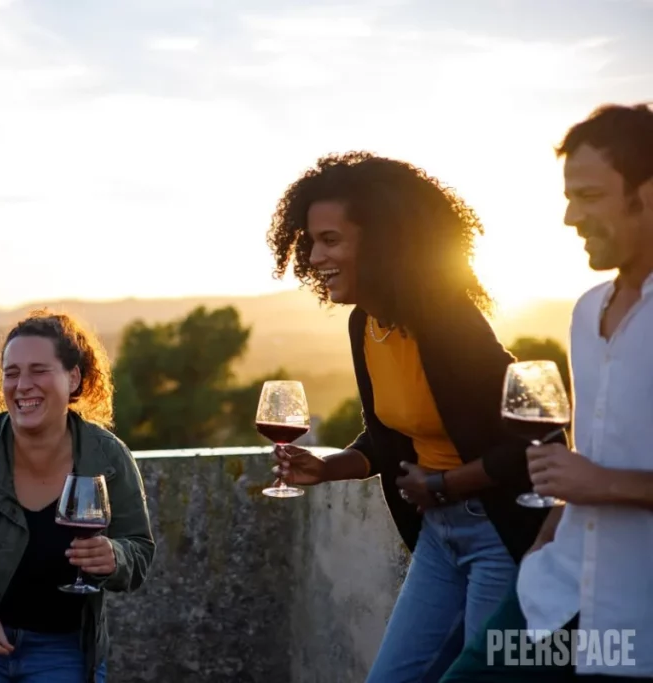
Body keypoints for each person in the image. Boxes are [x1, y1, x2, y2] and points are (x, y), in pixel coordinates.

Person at [265, 151, 560, 683]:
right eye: (309, 240)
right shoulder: (366, 325)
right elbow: (392, 436)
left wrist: (446, 484)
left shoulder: (448, 322)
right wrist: (328, 467)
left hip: (497, 534)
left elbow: (538, 440)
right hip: (436, 539)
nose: (313, 256)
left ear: (381, 241)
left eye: (330, 240)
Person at [440, 104, 653, 681]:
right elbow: (593, 451)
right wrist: (546, 539)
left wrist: (600, 485)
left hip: (637, 619)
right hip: (554, 591)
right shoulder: (587, 312)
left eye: (588, 196)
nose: (568, 217)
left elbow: (597, 473)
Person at [0, 310, 155, 683]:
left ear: (74, 378)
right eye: (12, 372)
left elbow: (139, 549)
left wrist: (115, 556)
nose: (22, 385)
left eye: (39, 370)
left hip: (61, 647)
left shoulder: (109, 457)